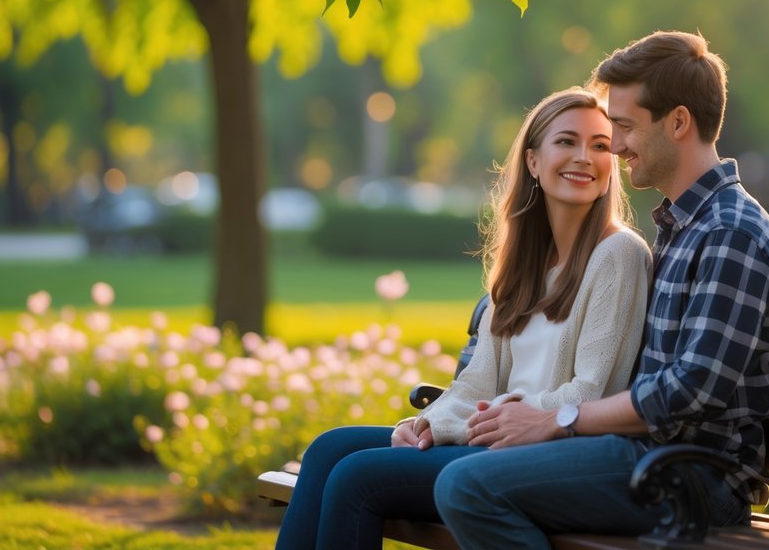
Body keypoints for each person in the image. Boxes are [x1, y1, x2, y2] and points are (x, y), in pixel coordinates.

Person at [434, 30, 769, 549]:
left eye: (623, 126)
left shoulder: (729, 231)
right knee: (410, 469)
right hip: (643, 456)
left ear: (677, 122)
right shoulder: (685, 226)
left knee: (467, 486)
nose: (617, 144)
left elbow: (693, 389)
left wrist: (560, 419)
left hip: (694, 478)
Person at [274, 88, 652, 550]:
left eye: (599, 145)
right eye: (567, 142)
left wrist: (489, 421)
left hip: (551, 453)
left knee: (358, 476)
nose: (585, 158)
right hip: (492, 441)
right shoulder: (523, 264)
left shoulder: (618, 254)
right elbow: (477, 384)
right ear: (533, 161)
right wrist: (428, 422)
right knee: (329, 449)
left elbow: (593, 390)